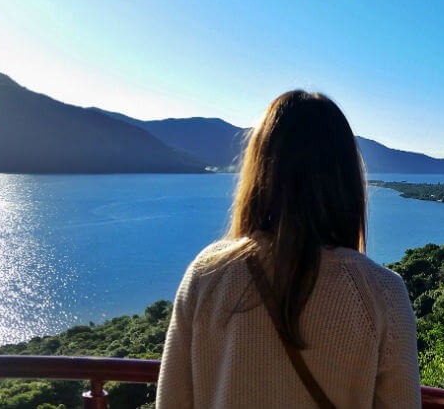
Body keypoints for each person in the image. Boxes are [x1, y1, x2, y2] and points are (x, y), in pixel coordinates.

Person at [156, 91, 420, 409]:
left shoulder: (206, 274)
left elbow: (171, 400)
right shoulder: (383, 295)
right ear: (347, 179)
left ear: (260, 171)